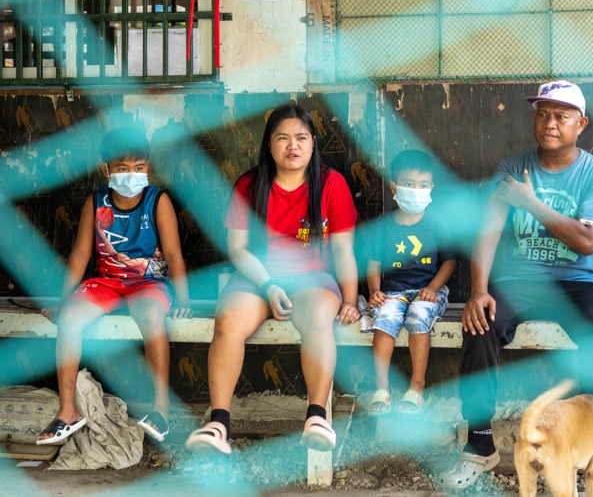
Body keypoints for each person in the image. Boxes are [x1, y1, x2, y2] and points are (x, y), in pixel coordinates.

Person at [439, 81, 593, 491]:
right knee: (480, 321)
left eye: (561, 116)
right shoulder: (510, 168)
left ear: (581, 124)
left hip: (579, 280)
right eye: (542, 114)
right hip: (520, 278)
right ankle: (480, 444)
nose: (550, 123)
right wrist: (479, 289)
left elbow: (588, 240)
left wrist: (531, 203)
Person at [185, 104, 360, 455]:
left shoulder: (331, 184)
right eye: (283, 138)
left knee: (318, 317)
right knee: (228, 320)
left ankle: (315, 417)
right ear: (268, 145)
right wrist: (268, 284)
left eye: (301, 138)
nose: (292, 146)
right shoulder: (249, 185)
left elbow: (343, 251)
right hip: (257, 277)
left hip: (311, 277)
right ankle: (219, 424)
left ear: (313, 144)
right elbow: (238, 250)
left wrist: (352, 300)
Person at [39, 127, 192, 445]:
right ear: (105, 169)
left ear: (148, 167)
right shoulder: (96, 203)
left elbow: (174, 252)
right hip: (106, 282)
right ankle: (67, 411)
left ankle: (160, 408)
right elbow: (81, 253)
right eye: (122, 168)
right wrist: (62, 300)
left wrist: (184, 296)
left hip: (148, 282)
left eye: (139, 167)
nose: (132, 175)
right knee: (68, 320)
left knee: (151, 317)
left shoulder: (157, 200)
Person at [363, 150, 456, 415]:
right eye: (409, 184)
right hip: (393, 291)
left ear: (431, 189)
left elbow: (449, 261)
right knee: (384, 318)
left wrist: (433, 288)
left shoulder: (436, 222)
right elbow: (373, 263)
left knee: (418, 316)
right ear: (394, 186)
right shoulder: (383, 226)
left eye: (423, 186)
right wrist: (374, 291)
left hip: (427, 292)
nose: (416, 191)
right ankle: (381, 388)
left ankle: (417, 386)